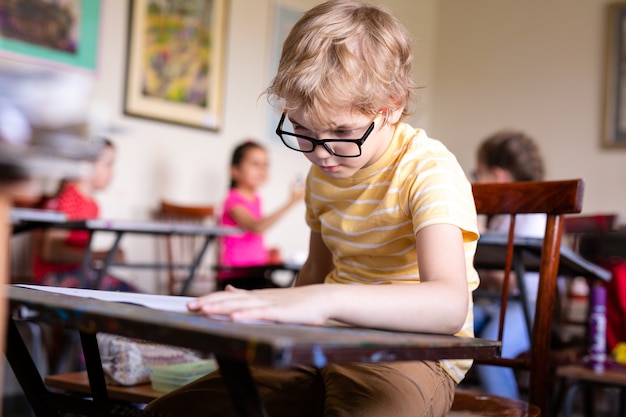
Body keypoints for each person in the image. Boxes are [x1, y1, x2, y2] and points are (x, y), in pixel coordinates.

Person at [146, 1, 479, 416]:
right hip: (321, 341)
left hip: (414, 352)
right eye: (302, 130)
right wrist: (269, 309)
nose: (321, 155)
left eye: (342, 132)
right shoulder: (324, 173)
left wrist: (323, 301)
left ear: (391, 105)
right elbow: (315, 275)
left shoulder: (429, 170)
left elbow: (449, 306)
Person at [471, 130, 546, 399]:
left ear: (498, 176)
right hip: (494, 302)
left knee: (493, 349)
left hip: (530, 308)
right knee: (453, 322)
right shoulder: (500, 219)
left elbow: (512, 282)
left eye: (477, 174)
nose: (475, 180)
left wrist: (477, 245)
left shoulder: (531, 218)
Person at [32, 137, 137, 292]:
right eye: (108, 164)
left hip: (79, 273)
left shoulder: (92, 205)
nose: (112, 172)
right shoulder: (67, 200)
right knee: (123, 293)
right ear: (85, 165)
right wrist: (101, 255)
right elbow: (50, 252)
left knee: (129, 292)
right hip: (54, 278)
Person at [217, 140, 304, 290]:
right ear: (235, 170)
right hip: (237, 276)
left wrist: (266, 253)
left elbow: (247, 240)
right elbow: (257, 227)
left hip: (256, 271)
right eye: (255, 164)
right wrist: (291, 202)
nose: (262, 170)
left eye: (265, 164)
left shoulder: (256, 199)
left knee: (287, 293)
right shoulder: (233, 199)